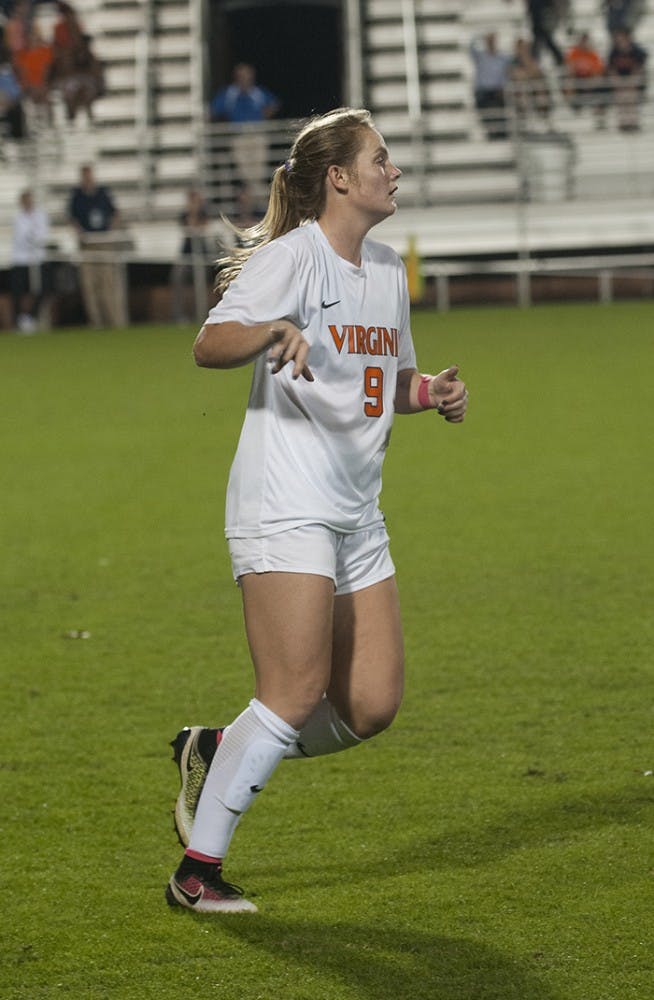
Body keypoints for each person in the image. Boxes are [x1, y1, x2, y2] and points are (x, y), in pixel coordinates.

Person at [165, 107, 469, 914]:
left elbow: (385, 379)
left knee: (370, 704)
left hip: (358, 513)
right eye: (381, 157)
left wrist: (427, 391)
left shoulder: (382, 269)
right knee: (294, 690)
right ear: (339, 177)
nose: (394, 170)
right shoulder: (295, 257)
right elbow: (210, 342)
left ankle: (223, 747)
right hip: (286, 502)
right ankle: (197, 872)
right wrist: (272, 329)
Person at [209, 62, 280, 209]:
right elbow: (214, 110)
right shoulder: (229, 93)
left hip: (257, 134)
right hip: (238, 136)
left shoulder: (257, 92)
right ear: (236, 77)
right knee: (245, 172)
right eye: (242, 75)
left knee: (258, 172)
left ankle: (257, 204)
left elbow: (274, 104)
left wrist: (262, 116)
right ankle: (261, 203)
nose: (245, 79)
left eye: (248, 75)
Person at [67, 163, 130, 327]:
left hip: (104, 244)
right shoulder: (77, 196)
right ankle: (96, 322)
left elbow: (115, 213)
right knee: (90, 285)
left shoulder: (103, 193)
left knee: (108, 284)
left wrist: (110, 232)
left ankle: (115, 321)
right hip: (87, 245)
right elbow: (72, 218)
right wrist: (81, 234)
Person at [10, 188, 49, 332]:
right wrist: (32, 238)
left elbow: (42, 235)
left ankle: (32, 317)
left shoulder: (40, 215)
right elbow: (21, 238)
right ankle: (21, 319)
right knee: (19, 291)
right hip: (21, 259)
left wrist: (33, 238)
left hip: (37, 259)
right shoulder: (18, 218)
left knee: (41, 290)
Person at [171, 187, 210, 323]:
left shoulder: (204, 214)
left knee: (203, 282)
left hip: (202, 257)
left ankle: (204, 314)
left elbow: (201, 229)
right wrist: (192, 212)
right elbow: (189, 229)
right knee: (177, 277)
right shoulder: (184, 215)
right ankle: (179, 315)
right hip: (187, 256)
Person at [469, 32, 512, 139]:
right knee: (487, 112)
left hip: (497, 91)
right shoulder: (480, 56)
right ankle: (492, 133)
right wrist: (480, 36)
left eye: (493, 40)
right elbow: (470, 46)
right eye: (489, 40)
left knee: (500, 110)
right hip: (483, 91)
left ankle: (501, 134)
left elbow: (506, 74)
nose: (491, 43)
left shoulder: (503, 58)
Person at [563, 31, 609, 127]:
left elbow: (598, 73)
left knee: (600, 85)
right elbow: (570, 70)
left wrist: (590, 82)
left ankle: (599, 115)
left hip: (590, 81)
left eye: (585, 41)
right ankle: (574, 106)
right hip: (577, 81)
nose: (583, 43)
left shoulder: (593, 55)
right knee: (568, 82)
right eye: (582, 41)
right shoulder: (573, 53)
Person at [606, 28, 648, 131]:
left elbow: (638, 68)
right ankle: (623, 123)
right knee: (621, 101)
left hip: (633, 81)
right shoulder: (614, 51)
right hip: (619, 82)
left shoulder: (636, 50)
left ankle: (633, 122)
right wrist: (618, 83)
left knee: (632, 101)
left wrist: (631, 82)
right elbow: (611, 69)